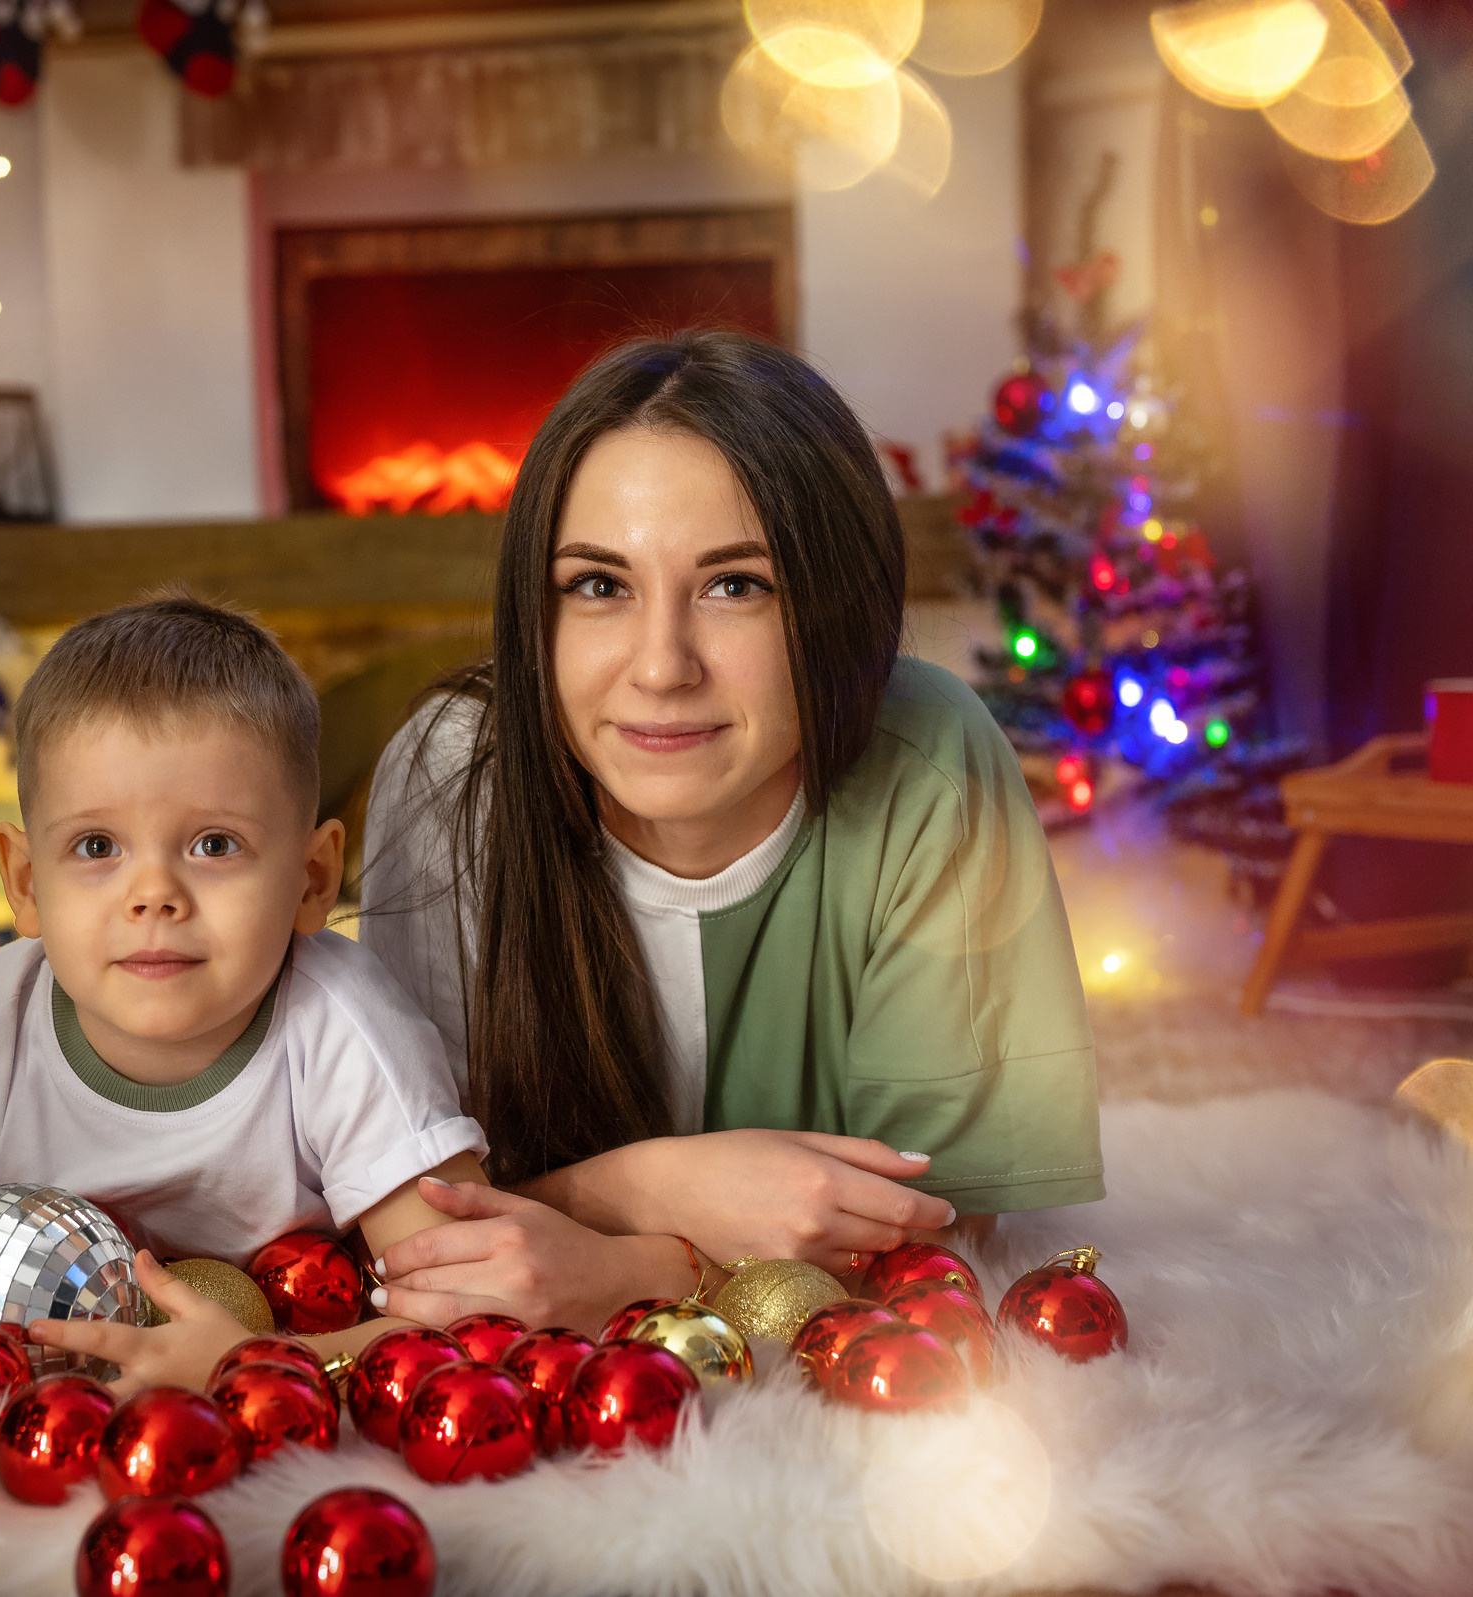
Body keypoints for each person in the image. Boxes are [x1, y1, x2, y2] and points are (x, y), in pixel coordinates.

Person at [356, 330, 1103, 1336]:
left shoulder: (928, 758)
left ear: (834, 606)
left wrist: (635, 1268)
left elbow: (934, 1231)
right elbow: (432, 1214)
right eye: (599, 585)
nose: (661, 667)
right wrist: (655, 1190)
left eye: (734, 584)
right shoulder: (455, 774)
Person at [0, 596, 487, 1456]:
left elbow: (471, 1326)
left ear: (312, 877)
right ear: (26, 883)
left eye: (214, 844)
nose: (154, 895)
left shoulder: (348, 1031)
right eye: (97, 847)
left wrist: (263, 1365)